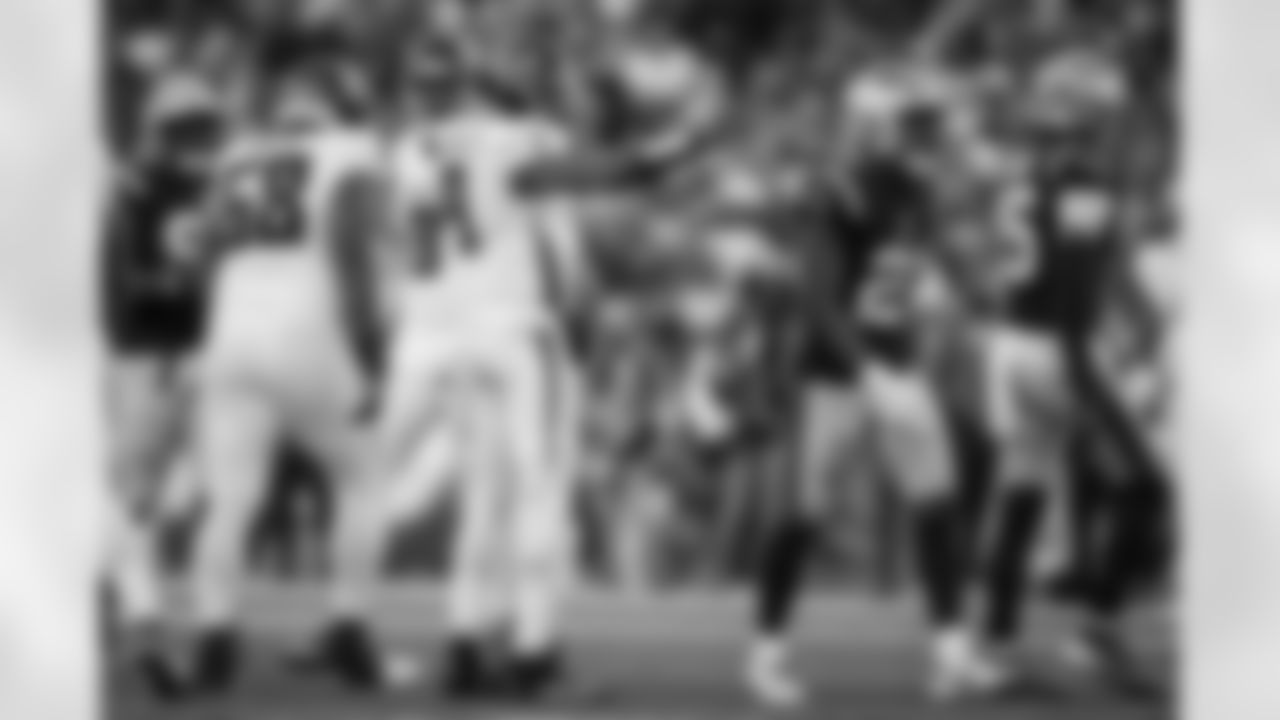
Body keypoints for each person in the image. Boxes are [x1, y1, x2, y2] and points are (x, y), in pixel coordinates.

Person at [180, 55, 391, 695]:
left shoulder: (236, 155)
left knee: (230, 500)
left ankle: (214, 635)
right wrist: (372, 351)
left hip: (231, 337)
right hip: (307, 334)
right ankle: (350, 624)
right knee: (365, 478)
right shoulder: (350, 150)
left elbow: (202, 253)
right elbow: (354, 256)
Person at [100, 72, 224, 700]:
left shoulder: (180, 189)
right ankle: (144, 621)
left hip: (171, 356)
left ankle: (129, 601)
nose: (201, 140)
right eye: (190, 129)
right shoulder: (133, 194)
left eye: (204, 128)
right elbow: (127, 287)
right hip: (151, 357)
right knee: (137, 502)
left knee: (184, 500)